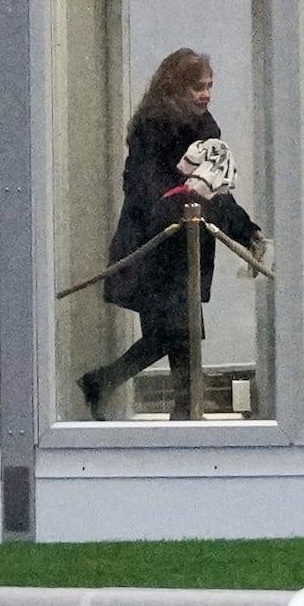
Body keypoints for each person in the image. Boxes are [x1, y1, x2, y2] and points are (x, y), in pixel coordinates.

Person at [77, 46, 264, 420]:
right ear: (176, 87)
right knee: (174, 334)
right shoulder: (153, 126)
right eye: (198, 86)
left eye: (209, 85)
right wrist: (178, 207)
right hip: (153, 247)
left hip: (183, 245)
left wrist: (246, 231)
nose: (206, 93)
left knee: (183, 334)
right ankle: (135, 393)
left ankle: (179, 408)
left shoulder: (205, 130)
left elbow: (214, 190)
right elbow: (145, 187)